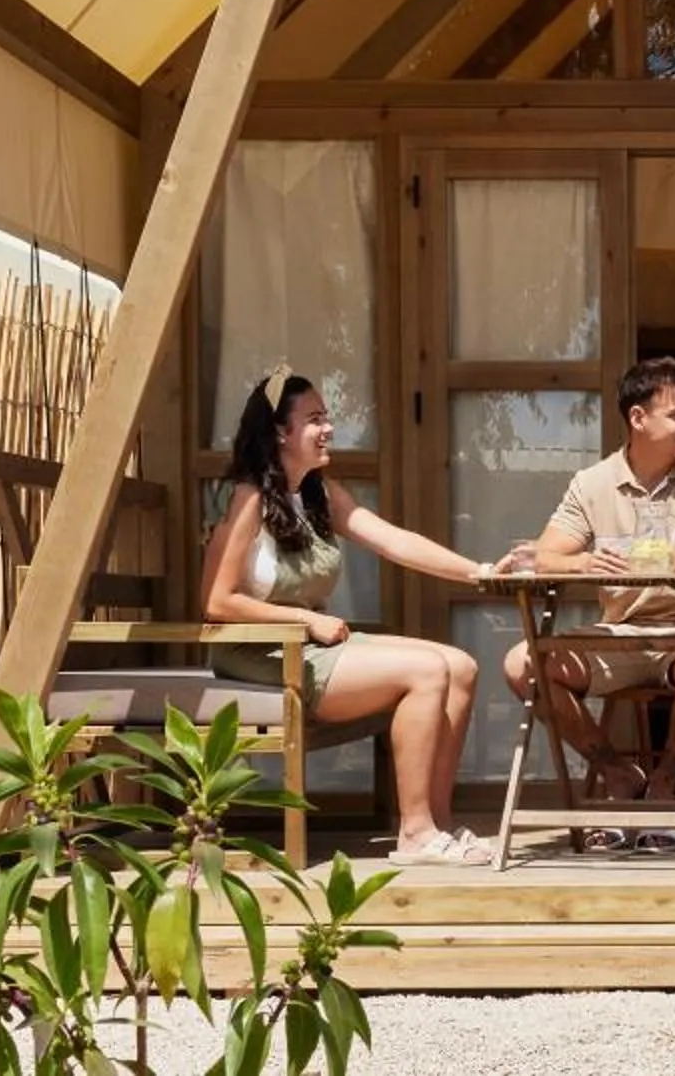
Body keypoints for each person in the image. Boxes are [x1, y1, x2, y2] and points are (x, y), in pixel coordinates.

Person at [200, 362, 530, 866]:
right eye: (314, 418)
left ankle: (436, 825)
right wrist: (305, 621)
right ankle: (414, 832)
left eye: (326, 416)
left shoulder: (318, 493)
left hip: (311, 643)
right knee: (426, 671)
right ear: (280, 432)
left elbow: (395, 541)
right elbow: (216, 603)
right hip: (261, 651)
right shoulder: (247, 498)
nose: (328, 427)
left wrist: (482, 571)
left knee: (460, 666)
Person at [500, 355, 675, 821]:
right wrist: (584, 561)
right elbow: (541, 556)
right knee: (521, 664)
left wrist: (628, 556)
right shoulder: (593, 484)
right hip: (621, 632)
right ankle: (616, 772)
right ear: (638, 418)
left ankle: (666, 781)